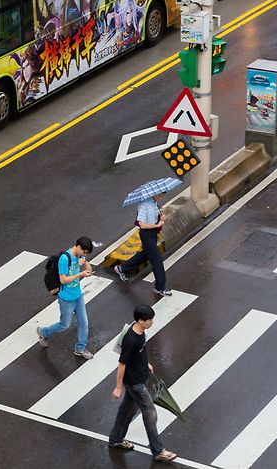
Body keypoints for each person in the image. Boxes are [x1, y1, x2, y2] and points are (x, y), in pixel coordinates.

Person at [108, 305, 177, 461]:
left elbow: (139, 352)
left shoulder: (140, 332)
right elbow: (122, 364)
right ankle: (158, 451)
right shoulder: (130, 339)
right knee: (150, 414)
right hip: (135, 384)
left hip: (140, 377)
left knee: (127, 410)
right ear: (140, 321)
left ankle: (115, 439)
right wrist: (118, 387)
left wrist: (146, 364)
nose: (151, 322)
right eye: (149, 320)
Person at [36, 236, 95, 358]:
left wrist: (85, 262)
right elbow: (63, 280)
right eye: (84, 252)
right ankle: (43, 332)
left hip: (78, 296)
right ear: (78, 247)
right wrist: (80, 274)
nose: (84, 254)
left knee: (84, 322)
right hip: (66, 299)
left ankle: (80, 348)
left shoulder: (80, 256)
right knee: (64, 324)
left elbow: (89, 270)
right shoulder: (65, 259)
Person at [115, 197, 171, 297]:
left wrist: (161, 217)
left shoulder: (154, 203)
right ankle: (160, 287)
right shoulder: (144, 205)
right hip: (147, 235)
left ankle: (122, 268)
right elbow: (142, 224)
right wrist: (157, 225)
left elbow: (156, 216)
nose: (161, 196)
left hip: (153, 234)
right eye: (161, 194)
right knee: (156, 260)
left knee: (146, 254)